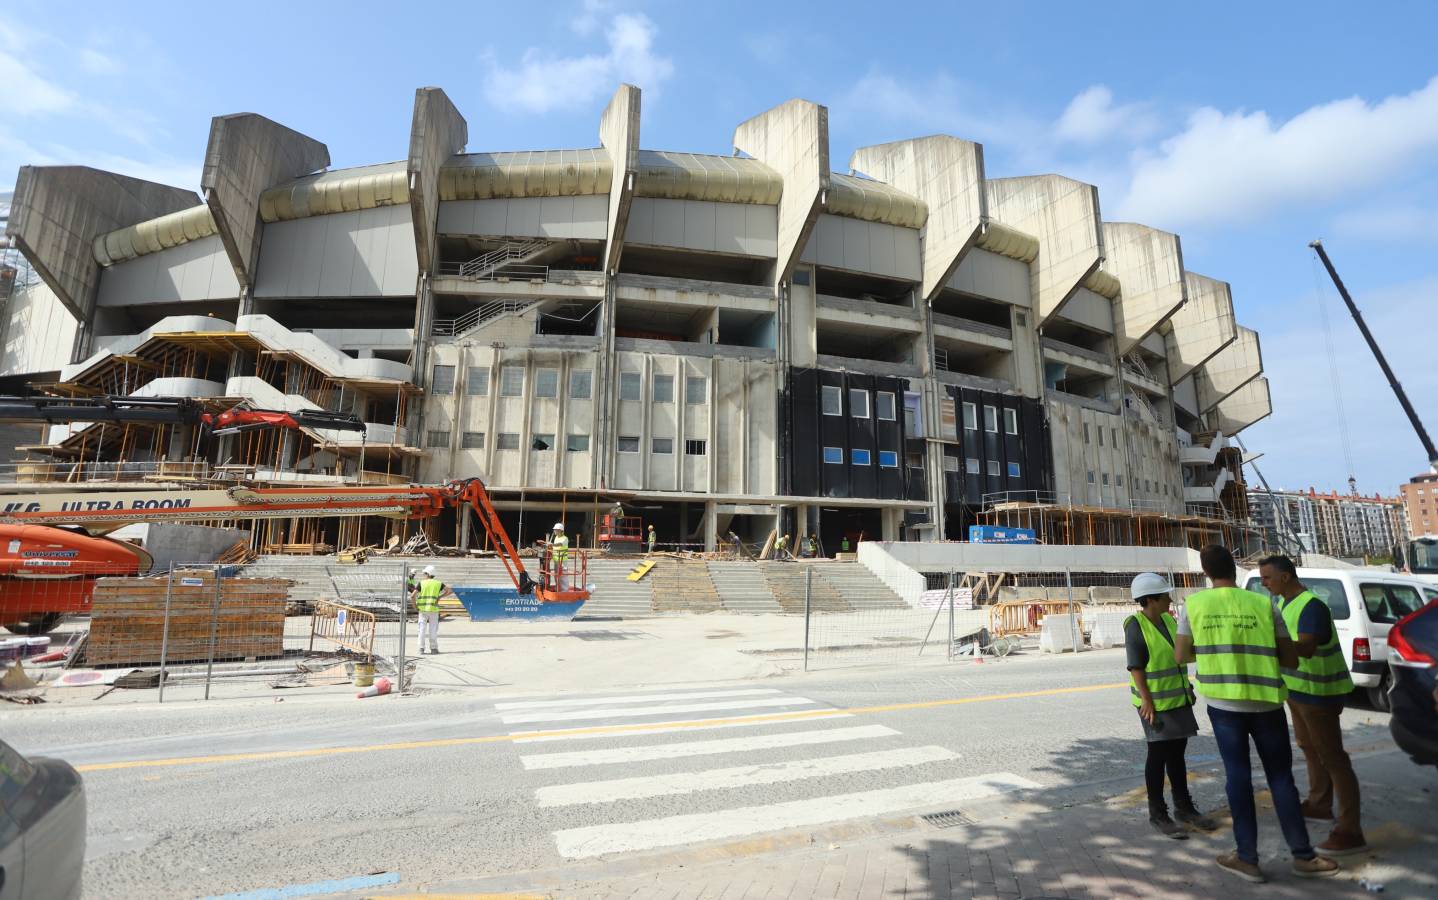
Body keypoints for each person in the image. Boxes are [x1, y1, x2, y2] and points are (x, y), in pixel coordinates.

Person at [1175, 545, 1339, 883]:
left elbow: (1181, 655)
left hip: (1225, 706)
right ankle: (1304, 856)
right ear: (1233, 569)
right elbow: (1290, 659)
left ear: (1206, 572)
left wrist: (1211, 650)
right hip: (1267, 703)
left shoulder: (1194, 605)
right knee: (1281, 779)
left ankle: (1247, 858)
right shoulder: (1264, 604)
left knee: (1238, 777)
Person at [1258, 554, 1365, 855]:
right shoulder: (1284, 604)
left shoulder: (1312, 606)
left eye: (1267, 577)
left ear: (1285, 577)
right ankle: (1319, 804)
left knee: (1333, 758)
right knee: (1309, 747)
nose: (1263, 583)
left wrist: (1267, 646)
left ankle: (1350, 830)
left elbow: (1305, 647)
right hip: (1298, 691)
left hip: (1319, 694)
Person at [1124, 572, 1217, 838]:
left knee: (1177, 754)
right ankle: (1158, 813)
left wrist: (1186, 688)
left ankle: (1184, 807)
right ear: (1151, 599)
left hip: (1176, 699)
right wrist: (1146, 700)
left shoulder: (1168, 619)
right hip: (1154, 704)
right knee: (1157, 756)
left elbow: (1176, 657)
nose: (1170, 599)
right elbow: (1136, 666)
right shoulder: (1135, 625)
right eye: (1165, 596)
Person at [410, 564, 446, 655]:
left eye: (424, 573)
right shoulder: (438, 583)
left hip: (422, 610)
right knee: (433, 630)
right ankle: (433, 649)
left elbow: (412, 596)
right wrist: (439, 597)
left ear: (428, 574)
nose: (424, 575)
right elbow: (449, 591)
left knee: (421, 630)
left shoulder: (421, 583)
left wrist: (415, 606)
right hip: (434, 610)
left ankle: (421, 649)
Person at [548, 522, 570, 592]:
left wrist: (552, 544)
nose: (554, 531)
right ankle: (558, 588)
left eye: (555, 530)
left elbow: (559, 544)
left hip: (562, 561)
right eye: (554, 529)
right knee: (556, 575)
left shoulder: (565, 538)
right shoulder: (556, 538)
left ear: (560, 530)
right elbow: (555, 547)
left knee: (563, 576)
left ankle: (564, 591)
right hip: (556, 560)